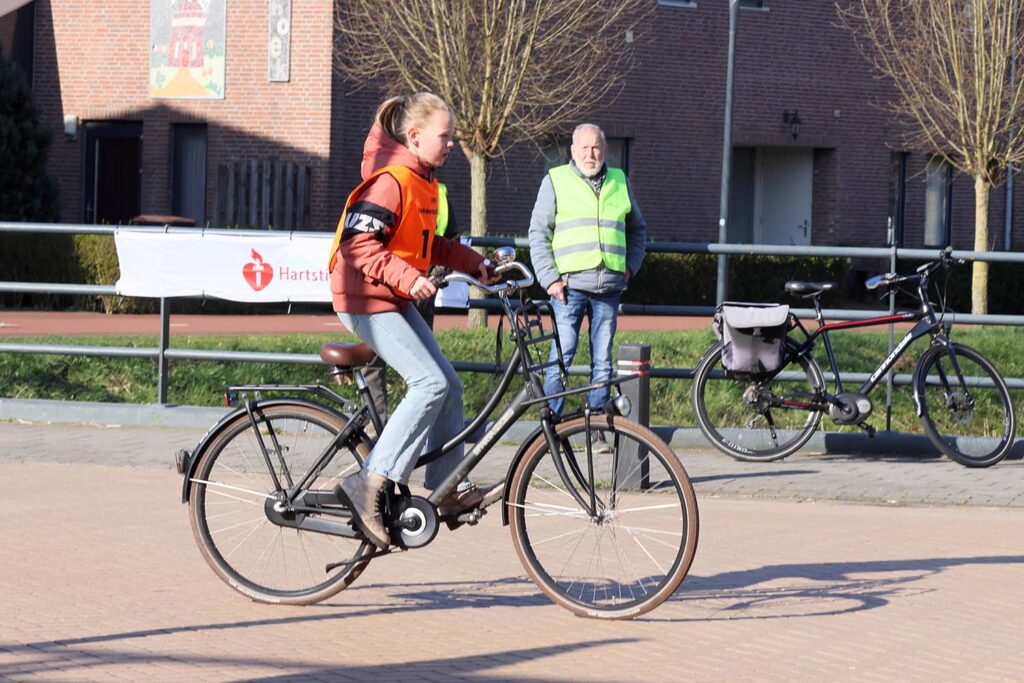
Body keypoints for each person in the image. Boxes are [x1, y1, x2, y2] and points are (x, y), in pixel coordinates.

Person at [327, 93, 497, 549]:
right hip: (364, 298)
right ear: (416, 136)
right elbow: (357, 247)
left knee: (450, 385)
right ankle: (370, 482)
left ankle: (444, 491)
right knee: (429, 385)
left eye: (453, 138)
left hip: (390, 296)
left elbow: (431, 247)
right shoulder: (391, 181)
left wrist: (476, 264)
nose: (451, 146)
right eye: (445, 138)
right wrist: (408, 278)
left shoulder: (424, 181)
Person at [528, 123, 647, 437]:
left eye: (596, 148)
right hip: (568, 287)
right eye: (584, 148)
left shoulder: (620, 180)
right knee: (561, 356)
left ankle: (597, 429)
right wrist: (549, 279)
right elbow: (538, 234)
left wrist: (630, 266)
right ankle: (549, 428)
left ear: (605, 151)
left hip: (609, 285)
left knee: (603, 362)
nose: (590, 154)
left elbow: (638, 229)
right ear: (572, 151)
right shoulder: (555, 180)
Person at [361, 181, 459, 424]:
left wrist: (435, 276)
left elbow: (449, 239)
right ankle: (378, 424)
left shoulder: (438, 193)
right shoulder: (390, 185)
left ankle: (413, 424)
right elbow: (366, 244)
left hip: (421, 287)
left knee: (424, 367)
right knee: (377, 360)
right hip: (387, 287)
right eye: (443, 139)